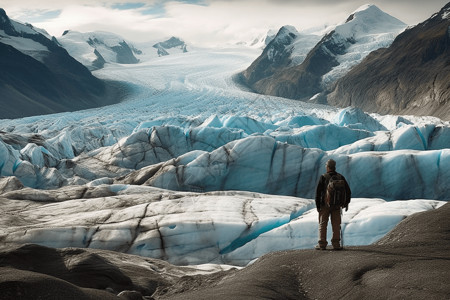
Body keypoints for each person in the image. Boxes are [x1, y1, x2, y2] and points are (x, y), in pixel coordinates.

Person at [315, 159, 351, 250]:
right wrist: (346, 203)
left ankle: (322, 244)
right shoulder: (340, 177)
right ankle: (336, 244)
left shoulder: (323, 177)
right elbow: (348, 191)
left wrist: (318, 205)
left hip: (325, 205)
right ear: (334, 167)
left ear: (327, 167)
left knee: (323, 224)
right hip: (337, 206)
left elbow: (318, 192)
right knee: (336, 224)